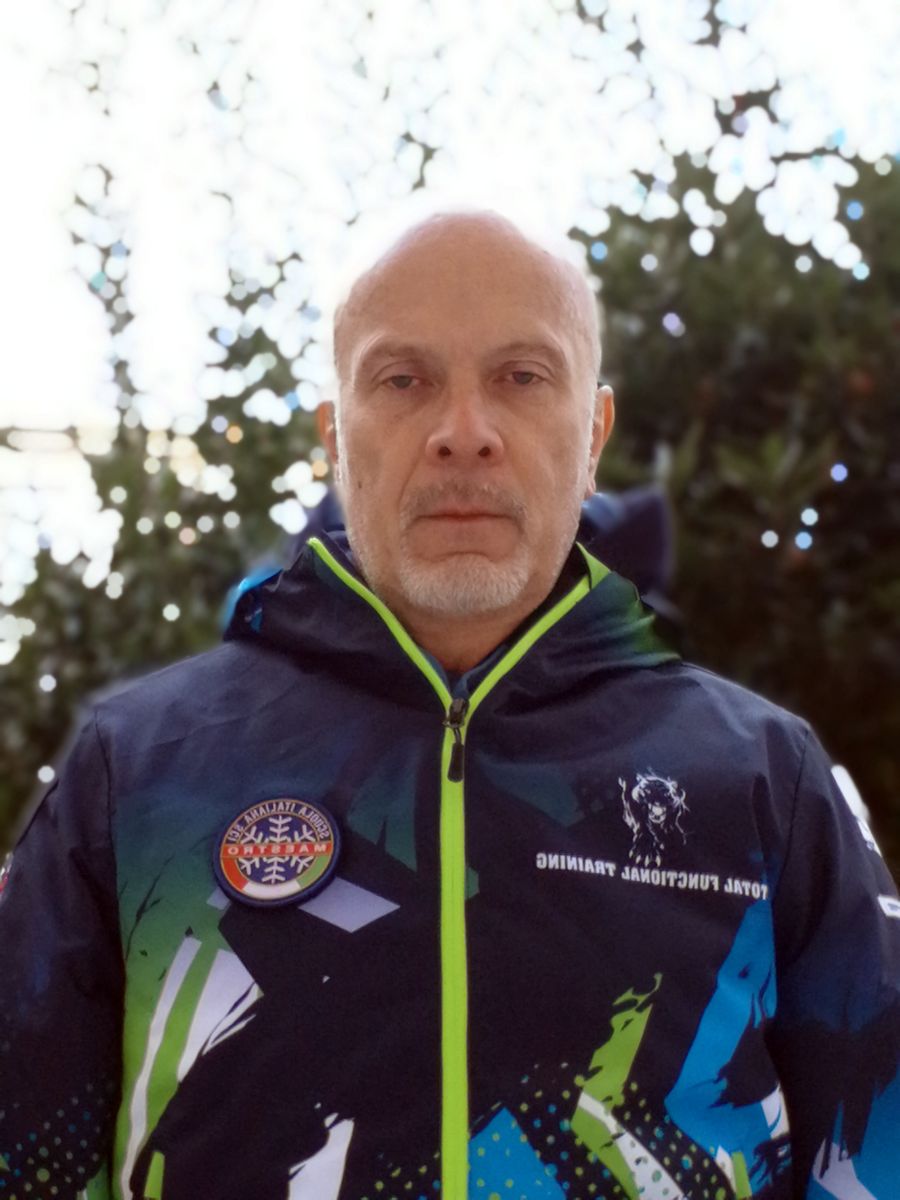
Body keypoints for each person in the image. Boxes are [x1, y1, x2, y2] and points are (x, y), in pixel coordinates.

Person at [1, 211, 898, 1200]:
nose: (463, 433)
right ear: (335, 438)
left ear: (593, 437)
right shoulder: (137, 772)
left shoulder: (766, 779)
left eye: (522, 377)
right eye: (403, 380)